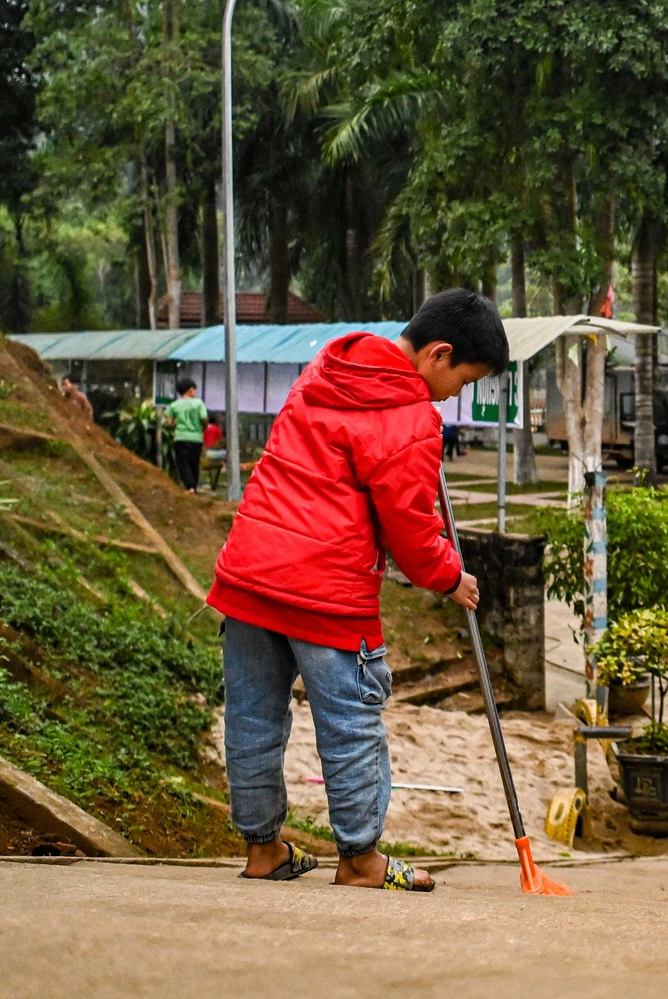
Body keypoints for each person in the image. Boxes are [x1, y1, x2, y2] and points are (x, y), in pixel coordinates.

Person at [207, 288, 505, 892]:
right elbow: (412, 531)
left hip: (250, 575)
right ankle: (361, 861)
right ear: (438, 354)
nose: (456, 396)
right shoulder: (412, 417)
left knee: (252, 719)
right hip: (327, 592)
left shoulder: (325, 368)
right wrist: (451, 576)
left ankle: (262, 850)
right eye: (464, 380)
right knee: (350, 725)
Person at [164, 381, 210, 491]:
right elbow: (204, 419)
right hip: (196, 438)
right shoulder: (199, 403)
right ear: (190, 390)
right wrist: (202, 428)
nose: (195, 392)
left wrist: (178, 425)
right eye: (194, 390)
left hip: (180, 438)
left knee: (184, 463)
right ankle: (193, 487)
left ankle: (190, 487)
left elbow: (169, 422)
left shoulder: (174, 405)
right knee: (194, 463)